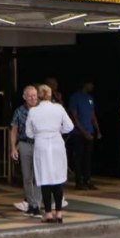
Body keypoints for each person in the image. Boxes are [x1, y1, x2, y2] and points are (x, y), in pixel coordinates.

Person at [27, 84, 74, 223]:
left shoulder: (33, 111)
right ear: (50, 94)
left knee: (44, 178)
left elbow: (29, 132)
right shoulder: (58, 108)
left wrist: (40, 133)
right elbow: (69, 126)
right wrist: (57, 130)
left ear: (39, 96)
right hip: (56, 143)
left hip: (41, 143)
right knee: (57, 178)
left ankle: (48, 213)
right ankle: (58, 212)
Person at [9, 86, 40, 214]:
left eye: (35, 95)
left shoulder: (42, 110)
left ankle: (37, 204)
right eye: (30, 96)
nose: (33, 98)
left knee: (38, 176)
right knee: (27, 176)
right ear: (24, 97)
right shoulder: (19, 111)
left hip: (39, 144)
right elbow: (14, 129)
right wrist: (13, 148)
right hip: (24, 144)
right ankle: (31, 203)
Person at [67, 81, 101, 190]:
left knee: (88, 157)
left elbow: (92, 114)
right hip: (78, 133)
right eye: (90, 84)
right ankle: (79, 181)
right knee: (78, 157)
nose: (92, 86)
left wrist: (97, 130)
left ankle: (87, 179)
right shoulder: (75, 97)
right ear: (85, 84)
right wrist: (83, 132)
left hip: (89, 131)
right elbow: (74, 116)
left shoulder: (90, 98)